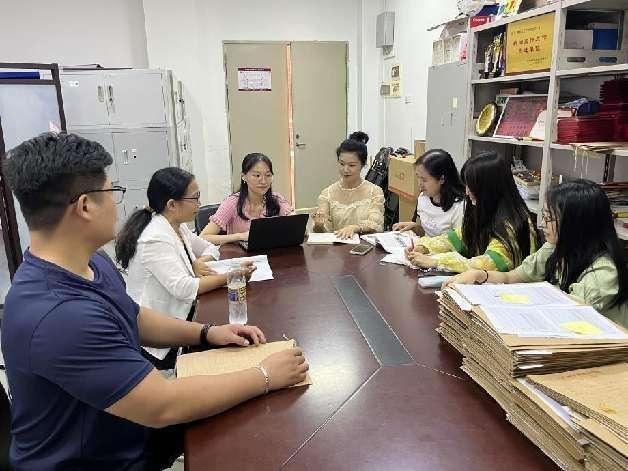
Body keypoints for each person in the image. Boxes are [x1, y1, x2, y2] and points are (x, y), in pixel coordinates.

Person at [1, 133, 308, 470]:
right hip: (101, 459)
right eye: (112, 192)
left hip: (125, 428)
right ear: (85, 206)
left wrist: (207, 333)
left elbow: (134, 317)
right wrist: (264, 375)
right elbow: (162, 405)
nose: (118, 204)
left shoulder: (90, 261)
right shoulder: (57, 315)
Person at [115, 167, 256, 371]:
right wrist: (232, 276)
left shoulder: (177, 225)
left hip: (182, 313)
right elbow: (184, 288)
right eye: (195, 198)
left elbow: (210, 248)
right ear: (172, 204)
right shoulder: (155, 238)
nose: (199, 203)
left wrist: (197, 262)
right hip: (158, 336)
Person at [445, 180, 628, 326]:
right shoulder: (555, 248)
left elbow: (566, 316)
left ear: (575, 224)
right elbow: (511, 278)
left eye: (549, 218)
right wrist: (480, 275)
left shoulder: (602, 273)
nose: (542, 224)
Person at [406, 151, 538, 273]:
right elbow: (459, 236)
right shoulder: (485, 208)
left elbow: (487, 264)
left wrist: (436, 261)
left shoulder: (511, 224)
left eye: (472, 186)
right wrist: (424, 247)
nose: (467, 192)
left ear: (489, 188)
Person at [200, 153, 293, 244]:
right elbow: (204, 237)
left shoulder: (277, 199)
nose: (263, 181)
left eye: (268, 175)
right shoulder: (232, 202)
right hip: (240, 253)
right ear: (243, 176)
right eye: (257, 175)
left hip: (272, 252)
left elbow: (297, 227)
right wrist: (240, 236)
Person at [312, 132, 385, 239]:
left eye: (351, 165)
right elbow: (323, 232)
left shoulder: (374, 192)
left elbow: (375, 225)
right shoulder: (327, 193)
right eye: (342, 164)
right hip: (337, 246)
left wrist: (355, 228)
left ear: (363, 164)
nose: (345, 170)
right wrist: (319, 225)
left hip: (365, 246)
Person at [393, 149, 465, 237]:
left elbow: (459, 243)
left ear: (442, 179)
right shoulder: (423, 197)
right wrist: (415, 228)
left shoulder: (459, 207)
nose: (420, 184)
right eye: (418, 177)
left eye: (424, 179)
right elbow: (426, 234)